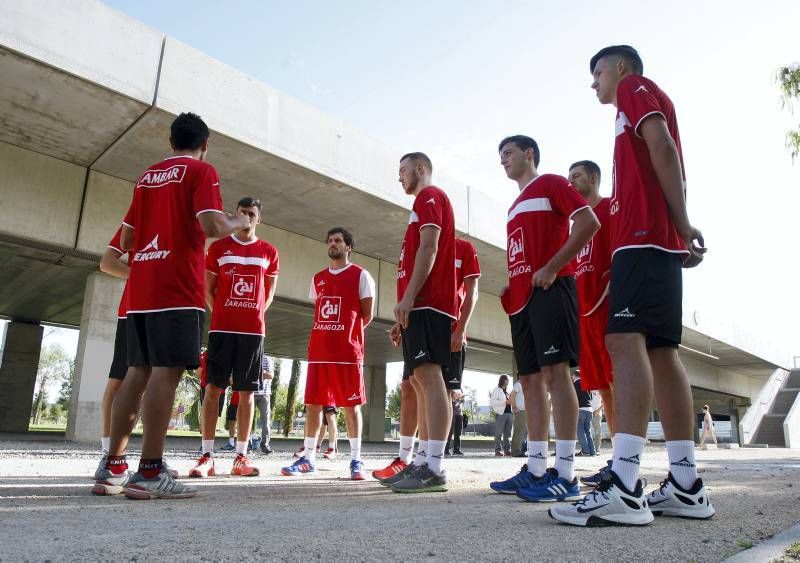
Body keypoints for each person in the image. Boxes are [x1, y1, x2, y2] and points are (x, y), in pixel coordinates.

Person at [550, 45, 714, 526]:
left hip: (644, 238)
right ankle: (685, 485)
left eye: (596, 72)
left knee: (624, 340)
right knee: (662, 353)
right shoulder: (634, 100)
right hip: (654, 238)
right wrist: (676, 229)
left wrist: (681, 224)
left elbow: (663, 146)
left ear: (620, 67)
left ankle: (624, 483)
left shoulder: (634, 90)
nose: (594, 82)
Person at [93, 112, 250, 499]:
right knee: (167, 373)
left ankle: (112, 466)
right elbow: (212, 226)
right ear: (205, 143)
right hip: (178, 287)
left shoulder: (147, 176)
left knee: (136, 372)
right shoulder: (202, 171)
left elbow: (127, 240)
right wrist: (237, 221)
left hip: (142, 289)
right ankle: (149, 471)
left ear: (170, 141)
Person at [489, 135, 599, 503]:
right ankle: (536, 468)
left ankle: (565, 474)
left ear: (529, 154)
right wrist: (512, 286)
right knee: (531, 383)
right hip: (522, 303)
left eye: (508, 153)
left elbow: (589, 222)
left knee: (556, 376)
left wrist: (552, 266)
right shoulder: (513, 207)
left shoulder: (551, 183)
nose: (502, 159)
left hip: (553, 290)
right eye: (499, 155)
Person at [373, 235, 479, 482]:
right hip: (420, 325)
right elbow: (417, 291)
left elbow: (472, 291)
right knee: (417, 386)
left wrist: (461, 328)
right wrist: (401, 322)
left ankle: (436, 461)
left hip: (449, 327)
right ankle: (421, 459)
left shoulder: (464, 247)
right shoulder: (422, 248)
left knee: (445, 391)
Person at [189, 196, 279, 479]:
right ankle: (207, 456)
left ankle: (241, 456)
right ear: (235, 215)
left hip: (253, 333)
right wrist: (224, 314)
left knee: (246, 393)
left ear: (258, 218)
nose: (247, 217)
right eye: (242, 212)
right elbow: (209, 289)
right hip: (221, 331)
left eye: (252, 213)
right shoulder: (218, 248)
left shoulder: (269, 251)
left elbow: (269, 292)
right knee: (214, 389)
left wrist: (251, 314)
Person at [384, 152, 456, 494]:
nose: (399, 177)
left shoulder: (430, 196)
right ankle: (425, 459)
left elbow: (429, 248)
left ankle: (435, 467)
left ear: (420, 168)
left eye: (403, 170)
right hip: (418, 307)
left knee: (430, 376)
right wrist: (405, 313)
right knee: (420, 380)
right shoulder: (420, 203)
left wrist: (410, 299)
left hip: (429, 302)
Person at [281, 227, 375, 480]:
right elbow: (319, 311)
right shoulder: (318, 278)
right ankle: (308, 458)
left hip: (347, 353)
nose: (333, 244)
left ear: (348, 247)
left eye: (339, 240)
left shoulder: (361, 275)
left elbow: (367, 314)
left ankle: (356, 460)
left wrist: (347, 334)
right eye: (330, 240)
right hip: (319, 353)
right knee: (313, 405)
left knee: (350, 406)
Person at [567, 160, 618, 485]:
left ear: (594, 178)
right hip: (584, 315)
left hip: (609, 310)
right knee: (604, 388)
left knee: (619, 384)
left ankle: (628, 459)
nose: (571, 183)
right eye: (568, 178)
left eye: (577, 177)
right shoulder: (576, 224)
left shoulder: (611, 209)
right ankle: (617, 459)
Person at [253, 354, 275, 454]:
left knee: (266, 421)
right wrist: (262, 373)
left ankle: (265, 444)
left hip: (264, 393)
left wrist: (254, 372)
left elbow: (270, 375)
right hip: (250, 393)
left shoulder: (267, 359)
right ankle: (248, 444)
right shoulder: (249, 356)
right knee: (246, 419)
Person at [573, 372, 596, 456]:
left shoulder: (575, 384)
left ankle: (585, 451)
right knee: (588, 431)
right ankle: (592, 451)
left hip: (580, 409)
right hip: (590, 409)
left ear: (574, 376)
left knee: (580, 430)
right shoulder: (587, 384)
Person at [489, 375, 513, 456]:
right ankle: (497, 450)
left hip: (510, 414)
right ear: (502, 380)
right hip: (501, 414)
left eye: (508, 380)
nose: (507, 382)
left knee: (508, 434)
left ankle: (507, 450)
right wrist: (504, 402)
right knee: (498, 433)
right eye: (506, 380)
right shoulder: (496, 390)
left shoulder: (507, 391)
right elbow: (492, 402)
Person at [510, 377, 527, 457]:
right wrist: (514, 407)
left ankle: (520, 450)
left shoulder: (525, 384)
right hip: (520, 410)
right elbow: (512, 395)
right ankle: (515, 451)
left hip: (526, 410)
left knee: (524, 431)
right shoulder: (518, 384)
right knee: (519, 430)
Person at [445, 391, 464, 456]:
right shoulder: (451, 388)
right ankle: (446, 449)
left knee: (458, 433)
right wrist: (455, 399)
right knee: (449, 433)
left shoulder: (460, 389)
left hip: (459, 414)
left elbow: (461, 401)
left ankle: (456, 450)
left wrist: (461, 399)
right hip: (452, 413)